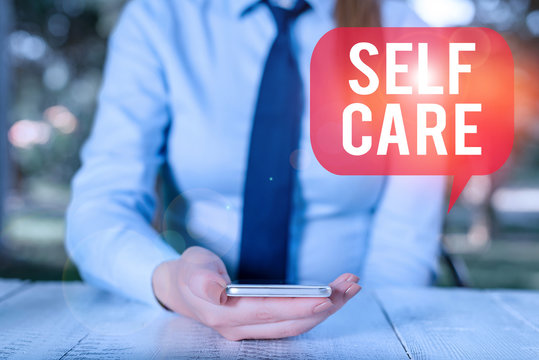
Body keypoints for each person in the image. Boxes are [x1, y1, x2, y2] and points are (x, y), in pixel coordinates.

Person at [66, 0, 445, 341]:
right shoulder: (160, 17)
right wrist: (168, 280)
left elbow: (405, 241)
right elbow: (101, 205)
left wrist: (363, 331)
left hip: (351, 329)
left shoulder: (408, 33)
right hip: (188, 327)